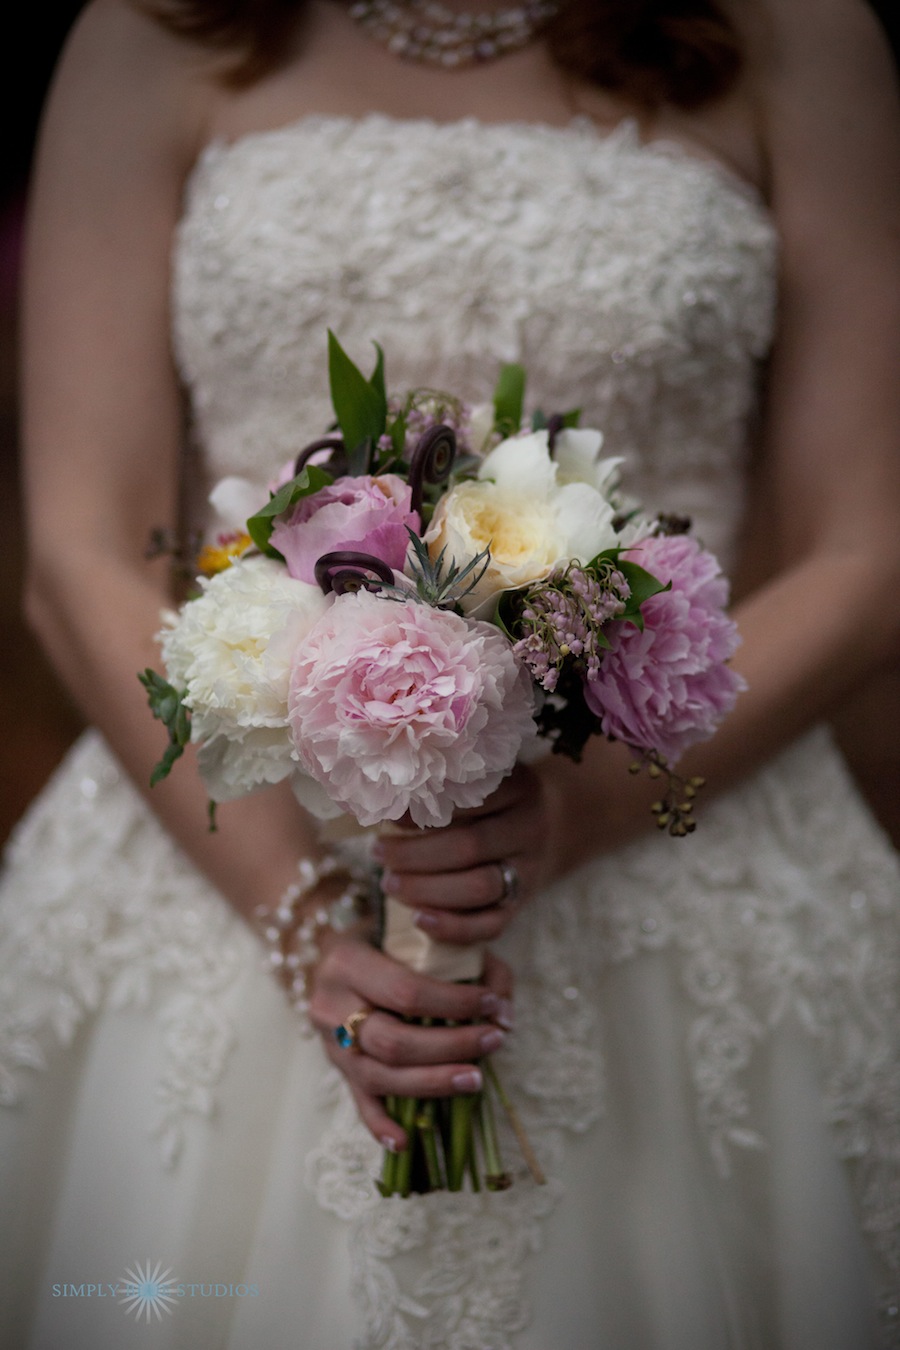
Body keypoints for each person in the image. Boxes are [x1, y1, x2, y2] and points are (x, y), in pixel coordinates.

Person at [2, 0, 900, 1345]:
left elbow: (868, 548)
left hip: (677, 826)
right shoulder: (150, 31)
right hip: (224, 840)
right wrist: (299, 914)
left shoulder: (800, 33)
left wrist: (574, 813)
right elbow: (77, 551)